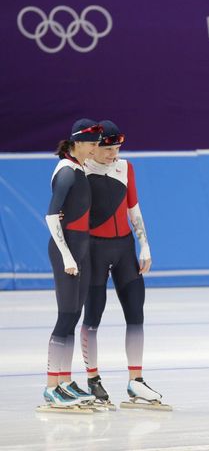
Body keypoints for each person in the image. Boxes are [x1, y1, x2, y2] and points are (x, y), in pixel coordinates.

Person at [79, 120, 162, 407]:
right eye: (108, 149)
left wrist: (145, 244)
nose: (113, 154)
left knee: (136, 313)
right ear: (93, 149)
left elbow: (133, 207)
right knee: (93, 316)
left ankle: (136, 382)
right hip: (94, 250)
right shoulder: (81, 170)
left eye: (117, 148)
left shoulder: (125, 167)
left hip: (124, 247)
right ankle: (93, 379)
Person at [42, 119, 101, 408]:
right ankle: (51, 385)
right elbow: (52, 216)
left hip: (82, 246)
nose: (96, 148)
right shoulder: (67, 171)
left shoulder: (79, 168)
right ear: (76, 142)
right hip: (68, 250)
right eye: (92, 143)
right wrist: (67, 256)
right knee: (65, 316)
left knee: (74, 315)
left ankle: (64, 380)